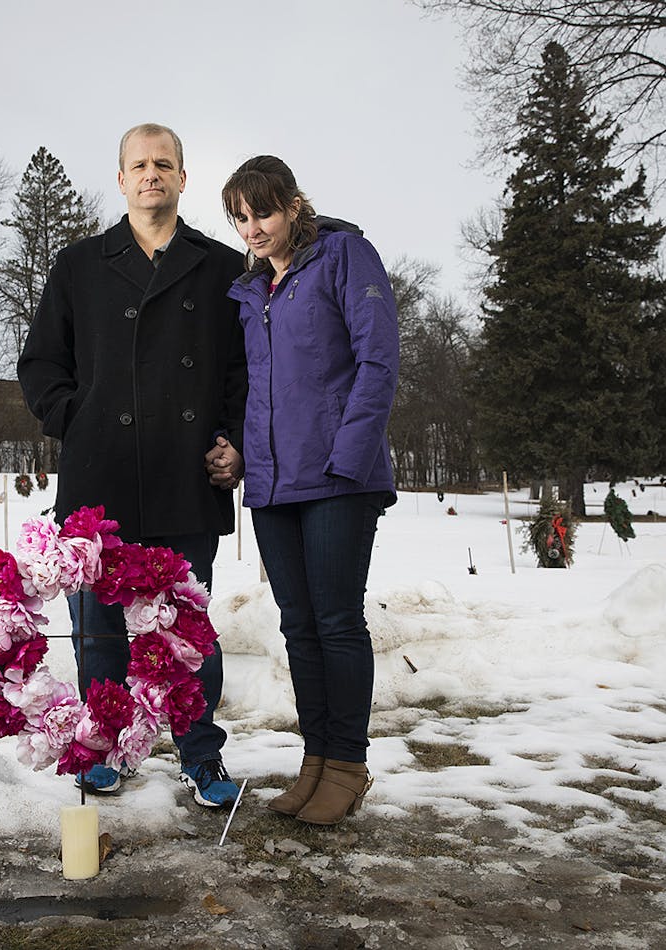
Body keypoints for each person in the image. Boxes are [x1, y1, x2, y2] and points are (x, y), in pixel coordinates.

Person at [18, 123, 247, 808]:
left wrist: (234, 441)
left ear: (183, 178)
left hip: (187, 477)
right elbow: (39, 365)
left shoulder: (220, 268)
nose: (152, 174)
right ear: (121, 180)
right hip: (100, 482)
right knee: (100, 631)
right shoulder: (80, 265)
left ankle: (201, 757)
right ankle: (104, 751)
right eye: (139, 164)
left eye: (164, 164)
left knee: (185, 634)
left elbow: (243, 372)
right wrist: (79, 424)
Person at [221, 155, 398, 825]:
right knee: (298, 628)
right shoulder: (251, 293)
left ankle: (348, 766)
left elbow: (378, 360)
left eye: (262, 211)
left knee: (335, 621)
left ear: (293, 206)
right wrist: (242, 456)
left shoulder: (348, 256)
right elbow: (257, 391)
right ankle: (316, 761)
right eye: (240, 217)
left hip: (336, 478)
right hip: (273, 484)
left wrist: (349, 459)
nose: (252, 228)